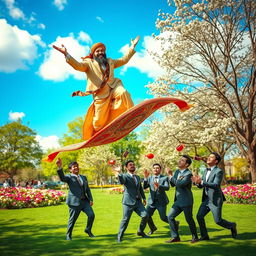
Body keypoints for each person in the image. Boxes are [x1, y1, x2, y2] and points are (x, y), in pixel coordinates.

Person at [53, 36, 140, 140]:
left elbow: (124, 60)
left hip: (114, 86)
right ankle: (95, 132)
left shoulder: (110, 61)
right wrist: (66, 54)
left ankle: (129, 114)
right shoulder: (88, 63)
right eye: (98, 51)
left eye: (102, 51)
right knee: (98, 123)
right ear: (93, 53)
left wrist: (132, 46)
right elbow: (77, 65)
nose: (100, 52)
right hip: (100, 94)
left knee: (123, 92)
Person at [192, 152, 237, 240]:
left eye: (211, 157)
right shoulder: (205, 170)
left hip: (215, 199)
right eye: (209, 156)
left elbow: (216, 185)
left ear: (216, 161)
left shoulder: (219, 171)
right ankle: (204, 236)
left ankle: (232, 225)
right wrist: (196, 182)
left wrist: (201, 182)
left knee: (218, 221)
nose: (208, 158)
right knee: (199, 216)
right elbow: (202, 185)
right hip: (206, 200)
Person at [56, 158, 95, 240]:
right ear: (70, 170)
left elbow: (87, 189)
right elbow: (62, 178)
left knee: (91, 215)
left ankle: (88, 230)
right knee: (72, 220)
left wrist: (91, 199)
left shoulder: (83, 177)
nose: (76, 168)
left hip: (85, 201)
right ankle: (68, 235)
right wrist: (59, 167)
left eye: (77, 166)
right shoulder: (69, 177)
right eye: (74, 167)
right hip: (74, 202)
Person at [112, 160, 149, 243]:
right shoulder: (124, 176)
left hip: (138, 202)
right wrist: (119, 173)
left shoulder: (138, 177)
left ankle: (140, 231)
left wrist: (144, 198)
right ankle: (119, 237)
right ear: (126, 167)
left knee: (145, 215)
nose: (132, 166)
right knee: (125, 220)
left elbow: (139, 188)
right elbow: (121, 181)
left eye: (133, 164)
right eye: (130, 165)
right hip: (128, 202)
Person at [165, 155, 199, 243]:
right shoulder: (176, 172)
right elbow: (173, 184)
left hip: (186, 200)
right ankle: (175, 237)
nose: (179, 161)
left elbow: (180, 184)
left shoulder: (188, 174)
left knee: (189, 219)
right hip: (178, 201)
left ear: (187, 164)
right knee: (170, 216)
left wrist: (170, 175)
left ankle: (195, 237)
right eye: (180, 160)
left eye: (182, 160)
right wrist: (171, 176)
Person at [143, 163, 173, 235]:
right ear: (152, 170)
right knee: (146, 215)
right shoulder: (149, 178)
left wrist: (159, 186)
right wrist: (145, 178)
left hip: (161, 201)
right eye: (154, 168)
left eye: (157, 168)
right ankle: (152, 228)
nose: (155, 169)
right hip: (151, 201)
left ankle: (175, 223)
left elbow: (167, 188)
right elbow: (144, 187)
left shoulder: (164, 178)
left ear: (160, 170)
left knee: (163, 218)